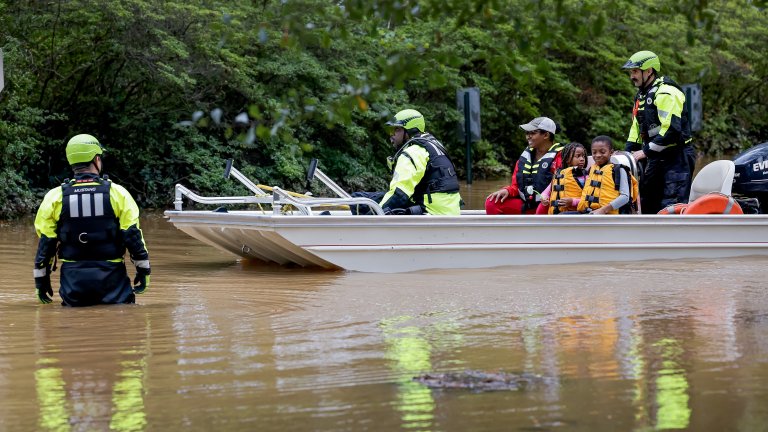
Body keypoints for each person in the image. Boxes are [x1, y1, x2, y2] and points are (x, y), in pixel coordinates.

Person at [33, 134, 151, 306]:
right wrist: (143, 270)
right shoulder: (118, 193)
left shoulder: (54, 197)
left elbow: (46, 243)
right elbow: (132, 235)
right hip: (112, 279)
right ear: (96, 159)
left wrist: (41, 280)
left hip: (73, 282)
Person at [622, 50, 696, 214]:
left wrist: (645, 152)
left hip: (677, 156)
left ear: (649, 71)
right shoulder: (641, 95)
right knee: (646, 200)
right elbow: (636, 128)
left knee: (672, 204)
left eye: (635, 71)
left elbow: (672, 131)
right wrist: (626, 152)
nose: (631, 76)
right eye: (631, 72)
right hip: (656, 156)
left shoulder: (667, 92)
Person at [351, 109, 462, 215]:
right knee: (369, 200)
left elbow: (400, 194)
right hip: (448, 210)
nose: (391, 134)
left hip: (430, 211)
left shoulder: (412, 152)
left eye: (397, 129)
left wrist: (373, 216)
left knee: (358, 200)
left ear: (410, 131)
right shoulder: (433, 145)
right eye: (391, 130)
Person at [485, 117, 565, 214]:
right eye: (527, 133)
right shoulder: (524, 159)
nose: (528, 137)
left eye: (532, 133)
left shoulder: (562, 157)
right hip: (528, 205)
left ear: (546, 135)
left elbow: (565, 188)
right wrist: (507, 191)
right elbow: (515, 186)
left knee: (544, 207)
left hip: (550, 206)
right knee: (492, 202)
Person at [577, 136, 638, 215]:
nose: (598, 155)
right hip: (590, 212)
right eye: (594, 152)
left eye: (602, 152)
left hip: (608, 215)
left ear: (611, 152)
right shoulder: (592, 170)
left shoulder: (619, 170)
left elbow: (625, 197)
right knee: (563, 215)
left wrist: (603, 210)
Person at [538, 142, 588, 214]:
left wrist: (572, 202)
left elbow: (588, 200)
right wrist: (544, 198)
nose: (582, 159)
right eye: (578, 156)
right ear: (567, 159)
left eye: (583, 156)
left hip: (576, 214)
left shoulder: (586, 177)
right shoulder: (558, 175)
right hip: (556, 215)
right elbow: (545, 193)